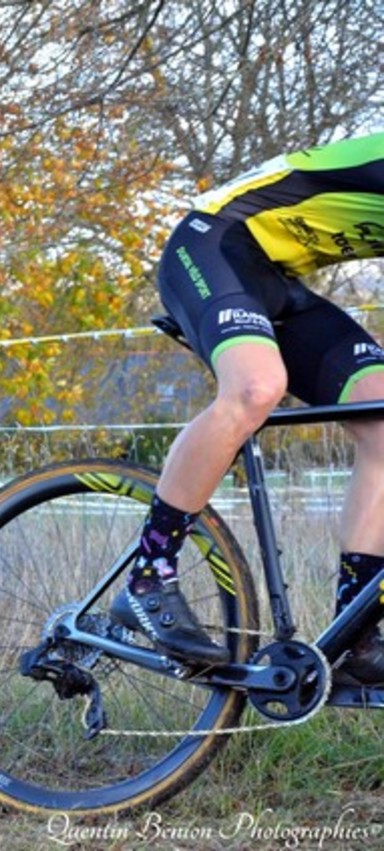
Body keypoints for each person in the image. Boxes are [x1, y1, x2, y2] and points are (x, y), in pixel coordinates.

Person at [110, 132, 384, 685]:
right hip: (212, 245)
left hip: (276, 281)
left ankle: (354, 636)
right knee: (256, 387)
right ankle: (149, 575)